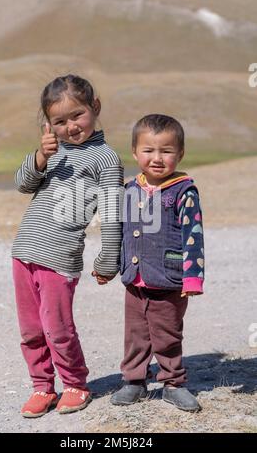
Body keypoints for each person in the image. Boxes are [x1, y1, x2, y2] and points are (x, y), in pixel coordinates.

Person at [12, 74, 123, 417]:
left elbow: (112, 213)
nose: (71, 126)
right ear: (49, 124)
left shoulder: (105, 159)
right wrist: (40, 157)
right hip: (23, 252)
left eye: (77, 115)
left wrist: (108, 259)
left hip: (59, 258)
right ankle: (42, 387)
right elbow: (22, 184)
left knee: (57, 328)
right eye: (60, 121)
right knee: (31, 330)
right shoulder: (53, 151)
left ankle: (75, 383)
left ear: (95, 108)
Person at [110, 114, 204, 412]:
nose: (157, 158)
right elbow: (120, 232)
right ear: (135, 152)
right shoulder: (129, 189)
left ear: (180, 154)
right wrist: (110, 266)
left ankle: (173, 382)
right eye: (149, 150)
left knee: (167, 333)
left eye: (166, 150)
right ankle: (134, 381)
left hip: (169, 278)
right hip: (135, 279)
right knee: (135, 334)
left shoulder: (183, 192)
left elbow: (194, 236)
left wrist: (193, 278)